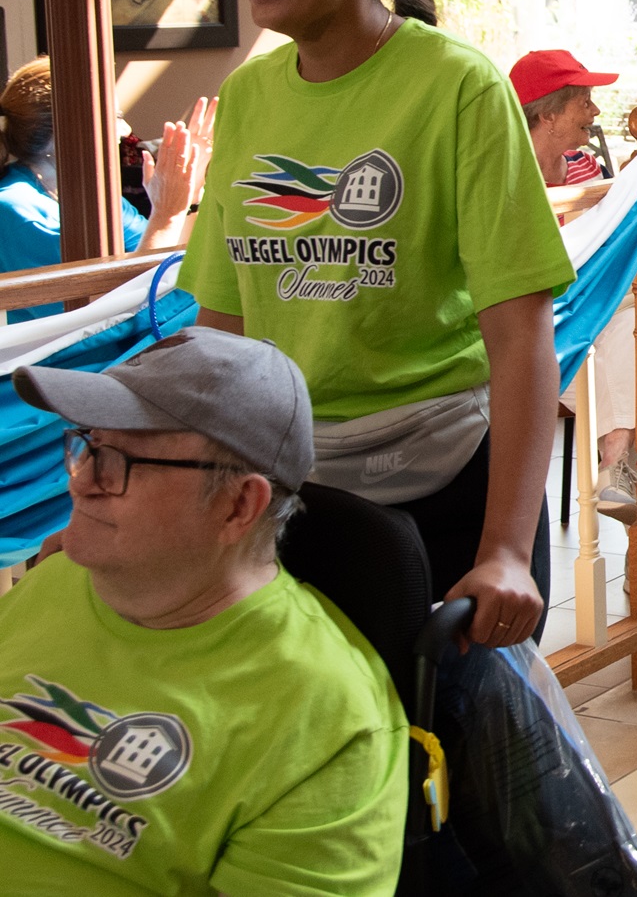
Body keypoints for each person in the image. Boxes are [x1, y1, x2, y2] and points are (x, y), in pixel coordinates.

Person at [157, 0, 577, 650]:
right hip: (289, 487)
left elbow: (521, 332)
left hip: (445, 492)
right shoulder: (249, 96)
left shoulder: (456, 86)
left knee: (445, 759)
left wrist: (504, 549)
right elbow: (223, 334)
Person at [0, 327, 406, 892]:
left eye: (117, 461)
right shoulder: (58, 581)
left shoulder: (326, 717)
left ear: (239, 505)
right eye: (86, 445)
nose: (82, 482)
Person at [510, 48, 637, 507]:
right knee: (618, 317)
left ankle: (617, 458)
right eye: (584, 101)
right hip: (531, 308)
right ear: (548, 112)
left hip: (584, 303)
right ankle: (624, 459)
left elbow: (615, 231)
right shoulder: (501, 173)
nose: (595, 112)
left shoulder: (583, 167)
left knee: (623, 311)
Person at [0, 57, 214, 322]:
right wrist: (167, 212)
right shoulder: (17, 209)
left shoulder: (85, 192)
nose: (126, 130)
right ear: (67, 127)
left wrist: (190, 192)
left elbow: (176, 263)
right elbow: (106, 319)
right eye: (115, 116)